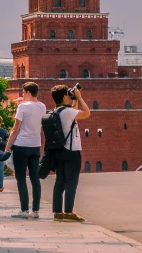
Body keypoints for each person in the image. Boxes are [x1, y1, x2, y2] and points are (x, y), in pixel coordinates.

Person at [4, 81, 46, 219]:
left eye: (23, 92)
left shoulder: (22, 107)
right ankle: (35, 210)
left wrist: (7, 147)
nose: (22, 95)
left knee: (21, 178)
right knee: (35, 178)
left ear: (27, 92)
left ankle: (23, 210)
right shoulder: (42, 106)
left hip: (21, 146)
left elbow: (16, 129)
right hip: (35, 146)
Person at [50, 84, 90, 221]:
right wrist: (79, 97)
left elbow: (73, 110)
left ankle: (57, 212)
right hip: (72, 151)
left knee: (60, 181)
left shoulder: (56, 111)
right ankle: (68, 212)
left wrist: (74, 100)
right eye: (68, 94)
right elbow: (86, 113)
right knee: (71, 182)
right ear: (63, 96)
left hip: (59, 151)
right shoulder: (67, 113)